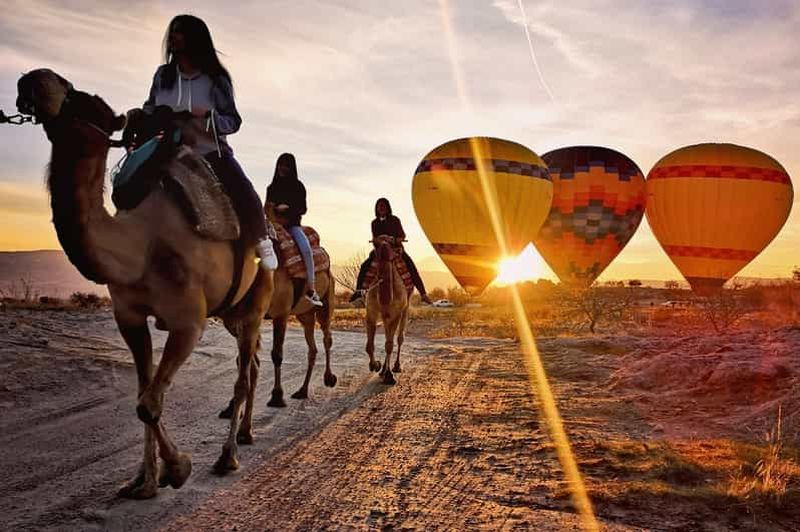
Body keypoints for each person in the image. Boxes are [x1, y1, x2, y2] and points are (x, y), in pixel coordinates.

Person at [141, 14, 277, 270]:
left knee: (241, 186)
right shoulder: (163, 76)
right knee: (130, 181)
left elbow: (233, 121)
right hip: (166, 150)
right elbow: (149, 108)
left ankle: (262, 239)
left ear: (194, 38)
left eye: (180, 32)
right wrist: (143, 119)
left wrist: (208, 115)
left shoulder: (216, 79)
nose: (173, 37)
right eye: (172, 31)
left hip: (209, 151)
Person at [266, 153, 323, 307]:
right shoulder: (271, 188)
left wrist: (288, 208)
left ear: (291, 168)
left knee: (305, 250)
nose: (282, 168)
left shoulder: (298, 187)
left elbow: (303, 209)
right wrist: (271, 210)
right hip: (272, 225)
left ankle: (311, 288)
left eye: (285, 165)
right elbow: (267, 207)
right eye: (280, 165)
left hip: (292, 226)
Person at [350, 198, 432, 304]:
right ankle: (359, 291)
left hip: (395, 249)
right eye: (379, 206)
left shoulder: (395, 220)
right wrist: (378, 240)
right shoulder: (374, 223)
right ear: (377, 209)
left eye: (384, 206)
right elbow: (374, 238)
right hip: (380, 250)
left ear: (388, 207)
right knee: (364, 265)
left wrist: (393, 239)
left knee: (410, 265)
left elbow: (402, 236)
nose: (382, 208)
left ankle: (423, 294)